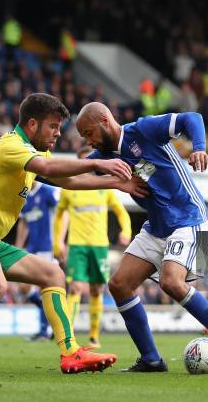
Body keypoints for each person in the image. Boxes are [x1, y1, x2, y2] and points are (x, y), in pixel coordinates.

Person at [0, 93, 148, 376]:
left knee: (52, 274)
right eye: (53, 126)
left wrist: (117, 183)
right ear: (32, 124)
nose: (58, 133)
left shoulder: (32, 152)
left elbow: (66, 180)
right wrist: (98, 163)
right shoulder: (11, 146)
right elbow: (48, 168)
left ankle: (70, 354)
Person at [76, 102, 208, 373]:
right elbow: (69, 174)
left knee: (171, 282)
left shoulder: (143, 130)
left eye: (88, 132)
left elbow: (193, 117)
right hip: (157, 226)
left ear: (104, 121)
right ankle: (151, 359)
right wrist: (32, 166)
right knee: (119, 284)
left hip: (190, 217)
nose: (88, 140)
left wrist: (199, 147)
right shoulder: (105, 156)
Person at [53, 146, 132, 349]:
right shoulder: (68, 188)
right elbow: (60, 215)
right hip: (77, 245)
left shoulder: (103, 187)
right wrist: (57, 242)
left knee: (97, 290)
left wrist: (126, 231)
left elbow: (121, 211)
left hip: (99, 245)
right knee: (76, 287)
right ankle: (67, 336)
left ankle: (94, 336)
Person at [15, 181, 60, 341]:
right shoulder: (24, 195)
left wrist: (61, 241)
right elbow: (23, 222)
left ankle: (44, 331)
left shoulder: (49, 191)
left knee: (44, 287)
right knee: (24, 287)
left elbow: (62, 213)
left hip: (47, 247)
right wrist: (19, 246)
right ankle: (48, 313)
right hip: (31, 248)